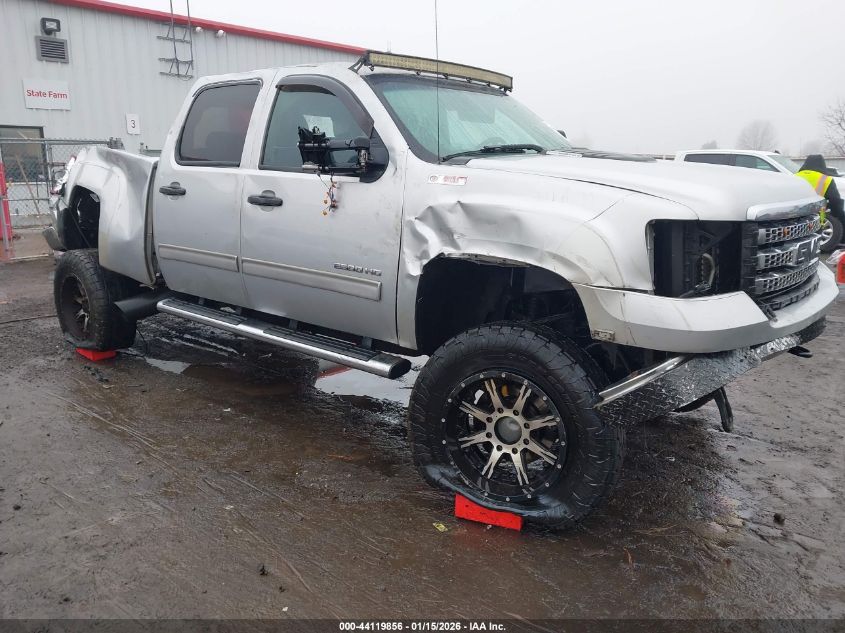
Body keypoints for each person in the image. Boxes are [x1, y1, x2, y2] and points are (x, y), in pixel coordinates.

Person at [796, 154, 844, 251]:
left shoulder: (795, 176)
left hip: (795, 215)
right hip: (818, 216)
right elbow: (835, 200)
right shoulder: (826, 179)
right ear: (822, 165)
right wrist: (838, 216)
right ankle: (841, 241)